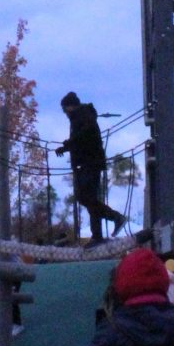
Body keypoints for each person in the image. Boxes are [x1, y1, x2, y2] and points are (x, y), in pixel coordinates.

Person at [56, 92, 127, 241]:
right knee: (89, 199)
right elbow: (82, 139)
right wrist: (66, 147)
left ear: (70, 106)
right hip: (87, 163)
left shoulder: (84, 115)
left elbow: (85, 135)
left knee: (85, 197)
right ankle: (97, 236)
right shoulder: (81, 116)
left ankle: (115, 218)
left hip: (90, 163)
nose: (64, 113)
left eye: (65, 109)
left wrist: (68, 144)